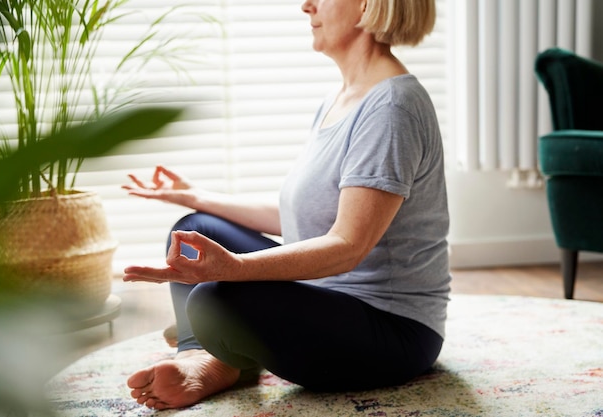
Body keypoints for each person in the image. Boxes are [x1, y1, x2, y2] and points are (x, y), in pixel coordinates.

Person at [122, 0, 450, 410]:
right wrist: (196, 197)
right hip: (326, 294)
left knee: (213, 299)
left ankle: (222, 348)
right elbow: (303, 220)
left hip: (391, 330)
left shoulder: (392, 109)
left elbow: (348, 244)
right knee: (195, 230)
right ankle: (203, 355)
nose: (306, 5)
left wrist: (236, 269)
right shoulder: (342, 99)